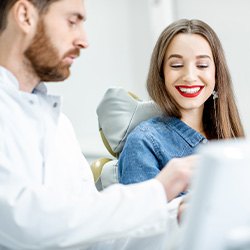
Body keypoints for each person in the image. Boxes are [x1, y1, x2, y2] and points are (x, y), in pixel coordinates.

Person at [0, 1, 197, 249]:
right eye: (72, 22)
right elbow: (24, 222)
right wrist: (158, 191)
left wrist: (177, 217)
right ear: (25, 15)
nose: (84, 40)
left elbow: (96, 238)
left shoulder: (59, 125)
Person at [118, 19, 245, 185]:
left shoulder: (230, 136)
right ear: (161, 74)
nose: (190, 77)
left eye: (202, 65)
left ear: (216, 73)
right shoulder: (143, 142)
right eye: (177, 65)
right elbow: (141, 211)